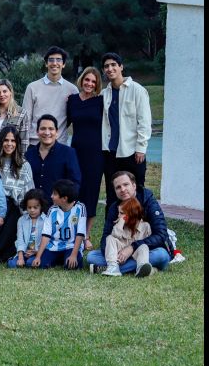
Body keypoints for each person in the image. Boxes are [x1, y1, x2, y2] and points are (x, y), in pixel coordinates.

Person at [86, 171, 174, 274]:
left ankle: (110, 268)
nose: (122, 189)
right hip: (121, 249)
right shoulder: (115, 207)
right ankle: (144, 268)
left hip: (147, 250)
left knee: (161, 255)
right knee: (91, 257)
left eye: (126, 184)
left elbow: (161, 235)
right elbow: (106, 236)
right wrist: (119, 253)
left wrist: (132, 248)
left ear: (134, 185)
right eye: (118, 187)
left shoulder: (148, 201)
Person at [100, 52, 152, 210]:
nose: (110, 68)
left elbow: (144, 121)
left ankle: (139, 230)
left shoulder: (137, 90)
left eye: (113, 65)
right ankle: (111, 231)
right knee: (112, 194)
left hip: (132, 152)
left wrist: (141, 148)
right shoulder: (104, 94)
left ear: (121, 67)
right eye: (106, 66)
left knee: (136, 193)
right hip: (110, 152)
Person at [65, 66, 103, 246]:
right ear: (82, 80)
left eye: (93, 81)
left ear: (97, 85)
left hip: (95, 153)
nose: (89, 83)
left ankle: (86, 236)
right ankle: (73, 232)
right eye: (87, 80)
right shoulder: (71, 100)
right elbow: (64, 122)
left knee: (91, 192)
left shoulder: (101, 101)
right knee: (76, 190)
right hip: (76, 151)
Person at [0, 126, 35, 263]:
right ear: (0, 141)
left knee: (11, 212)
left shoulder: (24, 165)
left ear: (17, 143)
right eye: (6, 140)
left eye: (13, 141)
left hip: (12, 207)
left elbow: (28, 193)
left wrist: (30, 217)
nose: (9, 144)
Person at [22, 46, 79, 148]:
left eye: (58, 60)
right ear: (46, 63)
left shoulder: (72, 90)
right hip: (35, 144)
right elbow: (26, 120)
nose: (54, 63)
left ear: (64, 64)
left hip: (60, 145)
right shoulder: (32, 87)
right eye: (51, 60)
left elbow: (74, 118)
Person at [31, 179, 85, 270]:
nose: (51, 196)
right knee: (41, 265)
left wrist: (74, 255)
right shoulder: (52, 210)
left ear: (64, 198)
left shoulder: (80, 208)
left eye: (55, 194)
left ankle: (65, 258)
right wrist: (38, 257)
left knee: (72, 266)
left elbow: (80, 234)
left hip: (71, 246)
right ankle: (58, 259)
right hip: (54, 246)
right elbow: (46, 235)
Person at [24, 115, 81, 199]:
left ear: (57, 132)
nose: (47, 133)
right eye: (43, 128)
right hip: (33, 208)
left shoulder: (68, 153)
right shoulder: (29, 154)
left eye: (51, 129)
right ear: (37, 132)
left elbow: (75, 183)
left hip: (58, 207)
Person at [100, 196, 153, 277]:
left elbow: (149, 244)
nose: (118, 215)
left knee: (146, 248)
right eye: (118, 213)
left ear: (132, 213)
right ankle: (113, 267)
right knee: (92, 256)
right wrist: (121, 221)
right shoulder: (121, 224)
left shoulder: (145, 226)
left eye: (121, 213)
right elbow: (115, 236)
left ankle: (141, 268)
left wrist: (131, 251)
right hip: (119, 255)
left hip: (137, 255)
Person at [7, 188, 48, 268]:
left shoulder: (46, 220)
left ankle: (29, 261)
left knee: (30, 263)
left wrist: (37, 253)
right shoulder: (21, 220)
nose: (32, 210)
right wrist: (21, 257)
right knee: (12, 265)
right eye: (29, 207)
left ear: (41, 206)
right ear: (26, 206)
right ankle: (18, 260)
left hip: (38, 253)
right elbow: (20, 239)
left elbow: (47, 241)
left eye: (35, 207)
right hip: (24, 252)